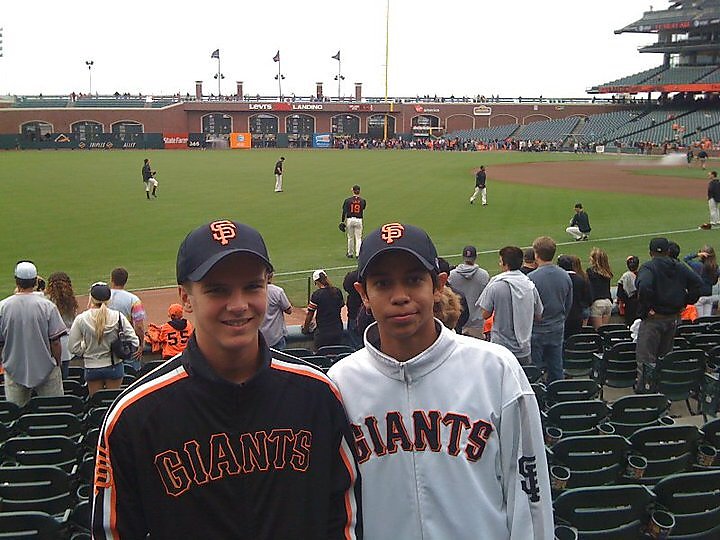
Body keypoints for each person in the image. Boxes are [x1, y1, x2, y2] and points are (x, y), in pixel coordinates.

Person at [92, 219, 361, 539]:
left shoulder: (316, 394)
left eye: (252, 286)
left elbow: (342, 517)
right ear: (186, 298)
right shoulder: (135, 415)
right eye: (217, 289)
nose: (238, 305)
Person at [328, 222, 553, 540]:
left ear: (438, 285)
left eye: (413, 280)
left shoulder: (495, 369)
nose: (400, 296)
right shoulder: (341, 383)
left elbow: (530, 496)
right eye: (382, 283)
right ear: (363, 294)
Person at [635, 238, 706, 392]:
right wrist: (684, 302)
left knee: (646, 360)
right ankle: (661, 394)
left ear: (650, 252)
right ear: (668, 251)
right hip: (672, 319)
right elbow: (698, 284)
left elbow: (644, 286)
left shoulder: (649, 267)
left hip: (654, 319)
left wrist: (646, 309)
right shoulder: (679, 266)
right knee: (665, 359)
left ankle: (646, 395)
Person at [0, 261, 67, 407]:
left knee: (15, 415)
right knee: (53, 410)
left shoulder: (3, 307)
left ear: (16, 280)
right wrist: (57, 362)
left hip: (14, 368)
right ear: (35, 280)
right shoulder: (47, 306)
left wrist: (5, 361)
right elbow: (55, 341)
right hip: (46, 367)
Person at [69, 282, 138, 396]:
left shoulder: (81, 319)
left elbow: (73, 347)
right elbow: (134, 341)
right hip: (114, 366)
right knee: (112, 401)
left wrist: (86, 349)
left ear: (91, 298)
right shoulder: (118, 316)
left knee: (96, 402)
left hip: (92, 367)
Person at [478, 246, 543, 365]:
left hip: (501, 348)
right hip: (523, 347)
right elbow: (539, 315)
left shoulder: (495, 285)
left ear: (505, 264)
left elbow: (485, 314)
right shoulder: (529, 286)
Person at [528, 236, 573, 383]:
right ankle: (557, 397)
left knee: (535, 369)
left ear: (536, 254)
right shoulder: (564, 276)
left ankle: (539, 400)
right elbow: (568, 305)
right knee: (556, 367)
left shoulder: (531, 278)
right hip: (556, 327)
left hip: (538, 330)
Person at [108, 267, 146, 372]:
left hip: (106, 341)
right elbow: (139, 326)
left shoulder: (103, 298)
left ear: (112, 279)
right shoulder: (133, 299)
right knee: (132, 374)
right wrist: (141, 344)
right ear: (125, 281)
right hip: (127, 342)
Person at [447, 245, 489, 338]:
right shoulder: (484, 275)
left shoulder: (452, 275)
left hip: (458, 322)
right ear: (475, 257)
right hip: (477, 323)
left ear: (463, 257)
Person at [44, 271, 79, 379]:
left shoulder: (45, 301)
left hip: (50, 342)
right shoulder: (71, 300)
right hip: (66, 342)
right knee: (64, 375)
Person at [302, 270, 345, 350]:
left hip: (323, 332)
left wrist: (305, 329)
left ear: (316, 282)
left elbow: (310, 314)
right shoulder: (337, 291)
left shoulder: (316, 295)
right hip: (337, 329)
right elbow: (341, 305)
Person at [557, 255, 590, 339]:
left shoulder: (559, 279)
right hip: (577, 315)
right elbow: (587, 298)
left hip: (563, 316)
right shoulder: (580, 279)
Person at [683, 245, 720, 317]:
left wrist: (697, 254)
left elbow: (686, 259)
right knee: (707, 319)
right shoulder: (715, 267)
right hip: (709, 296)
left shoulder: (698, 266)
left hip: (699, 297)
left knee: (700, 319)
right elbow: (714, 282)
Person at [259, 273, 292, 350]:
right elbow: (289, 310)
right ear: (272, 276)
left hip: (260, 338)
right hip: (276, 338)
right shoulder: (278, 291)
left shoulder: (254, 292)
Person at [586, 247, 613, 329]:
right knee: (604, 331)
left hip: (597, 303)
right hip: (608, 303)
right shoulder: (607, 272)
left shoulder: (590, 272)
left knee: (598, 331)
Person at [341, 184, 366, 258]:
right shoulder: (363, 201)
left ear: (353, 191)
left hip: (350, 220)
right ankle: (358, 254)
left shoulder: (347, 200)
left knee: (350, 237)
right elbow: (363, 208)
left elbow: (344, 211)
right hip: (359, 220)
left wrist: (342, 221)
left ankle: (350, 253)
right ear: (359, 191)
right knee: (358, 238)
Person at [616, 256, 640, 327]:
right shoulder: (642, 274)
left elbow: (620, 294)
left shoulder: (625, 276)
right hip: (640, 304)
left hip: (629, 305)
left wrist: (620, 305)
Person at [343, 269, 363, 350]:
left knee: (355, 346)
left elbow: (346, 286)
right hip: (368, 319)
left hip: (353, 319)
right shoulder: (367, 274)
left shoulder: (351, 276)